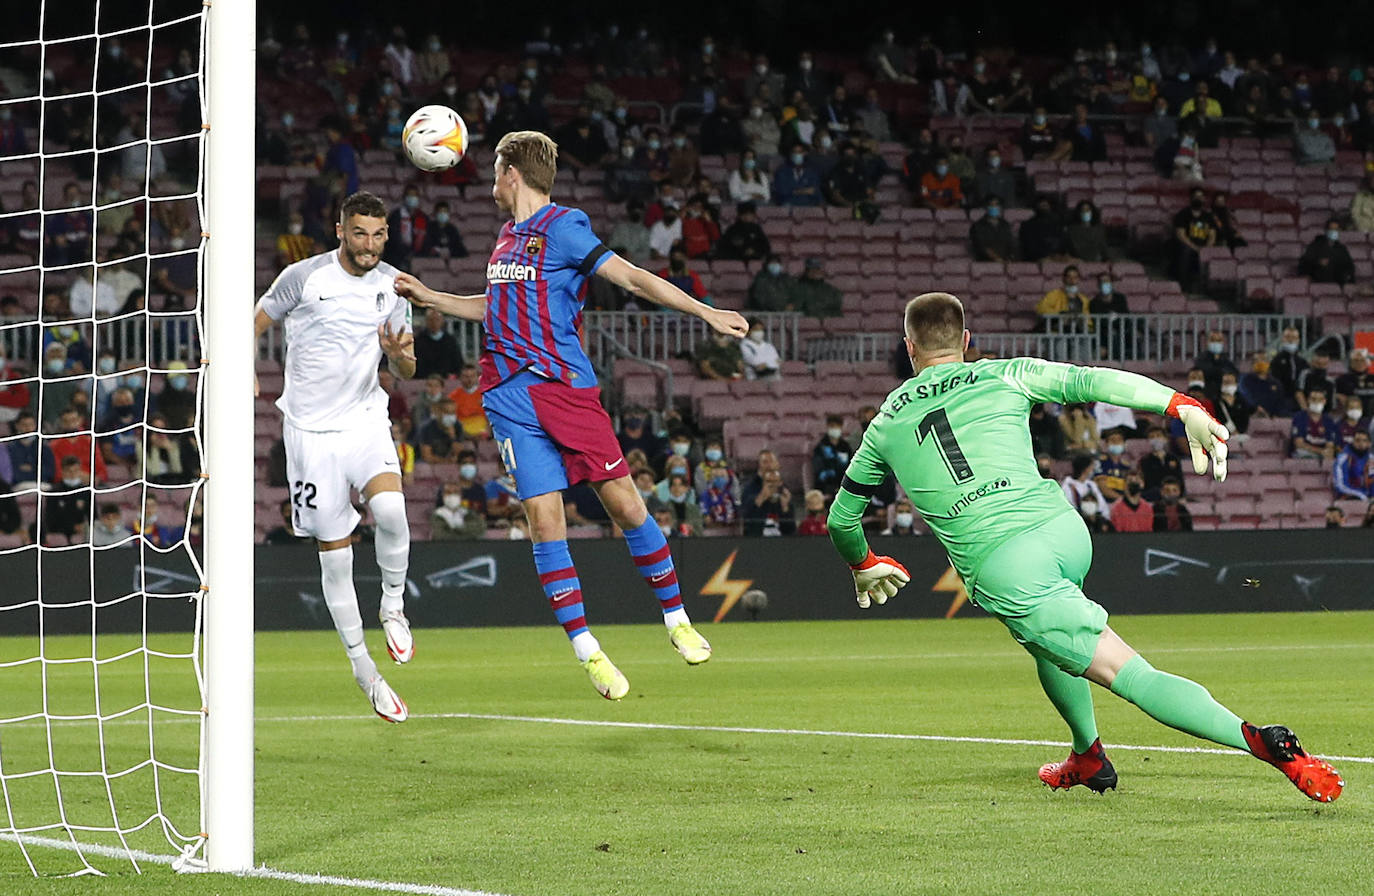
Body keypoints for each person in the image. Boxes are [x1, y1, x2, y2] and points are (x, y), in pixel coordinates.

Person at [827, 291, 1343, 803]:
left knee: (1128, 672)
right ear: (965, 340)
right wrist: (1180, 403)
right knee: (1043, 642)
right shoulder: (1005, 371)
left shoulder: (887, 421)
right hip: (1062, 531)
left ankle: (1260, 740)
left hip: (1005, 563)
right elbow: (1092, 380)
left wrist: (863, 562)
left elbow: (842, 518)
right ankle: (1088, 756)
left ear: (909, 347)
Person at [395, 130, 746, 699]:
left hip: (565, 389)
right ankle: (588, 650)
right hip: (508, 396)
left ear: (512, 173)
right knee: (545, 521)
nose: (489, 182)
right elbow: (494, 308)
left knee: (626, 506)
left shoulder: (564, 227)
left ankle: (676, 618)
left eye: (494, 171)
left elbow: (630, 277)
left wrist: (704, 311)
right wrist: (433, 298)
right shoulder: (505, 241)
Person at [253, 190, 417, 723]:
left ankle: (393, 605)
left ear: (386, 235)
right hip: (309, 434)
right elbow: (256, 321)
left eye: (378, 234)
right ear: (340, 230)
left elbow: (409, 366)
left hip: (366, 418)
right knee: (337, 553)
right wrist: (245, 368)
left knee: (392, 512)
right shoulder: (304, 278)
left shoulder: (394, 287)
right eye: (359, 233)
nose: (369, 244)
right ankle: (363, 668)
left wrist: (398, 358)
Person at [1298, 219, 1355, 285]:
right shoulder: (1314, 246)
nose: (1334, 232)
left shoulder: (1342, 249)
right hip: (1317, 285)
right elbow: (1304, 265)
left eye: (1336, 230)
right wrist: (1318, 262)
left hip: (1336, 286)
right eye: (1331, 229)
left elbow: (1349, 267)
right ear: (1326, 230)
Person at [969, 197, 1016, 262]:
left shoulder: (1005, 225)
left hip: (1006, 264)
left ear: (1000, 207)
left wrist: (1010, 257)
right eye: (991, 205)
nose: (994, 207)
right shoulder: (977, 226)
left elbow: (1010, 244)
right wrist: (996, 258)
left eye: (996, 205)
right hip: (985, 264)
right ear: (986, 207)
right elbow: (980, 246)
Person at [1332, 430, 1374, 500]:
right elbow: (1339, 485)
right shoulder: (1343, 457)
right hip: (1348, 497)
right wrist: (1360, 495)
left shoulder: (1371, 459)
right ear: (1352, 442)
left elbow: (1372, 481)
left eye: (1364, 441)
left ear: (1369, 443)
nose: (1361, 443)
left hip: (1367, 497)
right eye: (1357, 440)